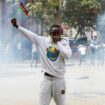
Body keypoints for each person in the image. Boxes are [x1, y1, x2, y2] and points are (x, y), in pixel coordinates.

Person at [11, 18, 72, 105]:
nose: (55, 35)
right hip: (46, 80)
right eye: (53, 33)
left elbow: (68, 55)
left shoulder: (65, 43)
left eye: (57, 34)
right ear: (50, 34)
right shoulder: (43, 41)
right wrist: (17, 26)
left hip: (59, 81)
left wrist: (58, 43)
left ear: (61, 34)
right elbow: (30, 34)